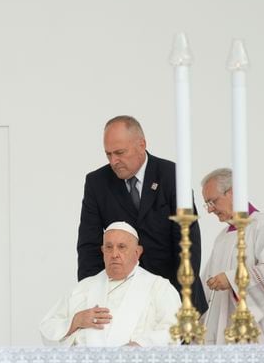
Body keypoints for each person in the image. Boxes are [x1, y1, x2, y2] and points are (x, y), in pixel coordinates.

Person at [77, 115, 206, 313]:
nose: (114, 161)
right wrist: (89, 299)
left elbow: (187, 244)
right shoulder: (97, 183)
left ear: (141, 144)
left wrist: (177, 300)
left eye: (120, 152)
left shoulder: (172, 175)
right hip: (121, 303)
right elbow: (89, 248)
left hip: (176, 295)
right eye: (108, 154)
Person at [41, 221, 181, 346]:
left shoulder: (158, 287)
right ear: (102, 251)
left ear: (137, 252)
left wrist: (139, 346)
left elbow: (176, 329)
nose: (114, 254)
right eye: (109, 247)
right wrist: (74, 322)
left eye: (121, 247)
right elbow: (47, 328)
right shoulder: (84, 287)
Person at [199, 168, 264, 344]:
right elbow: (205, 287)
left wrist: (233, 279)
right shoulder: (223, 237)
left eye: (213, 201)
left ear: (233, 193)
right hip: (225, 334)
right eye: (207, 204)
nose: (210, 210)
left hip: (261, 333)